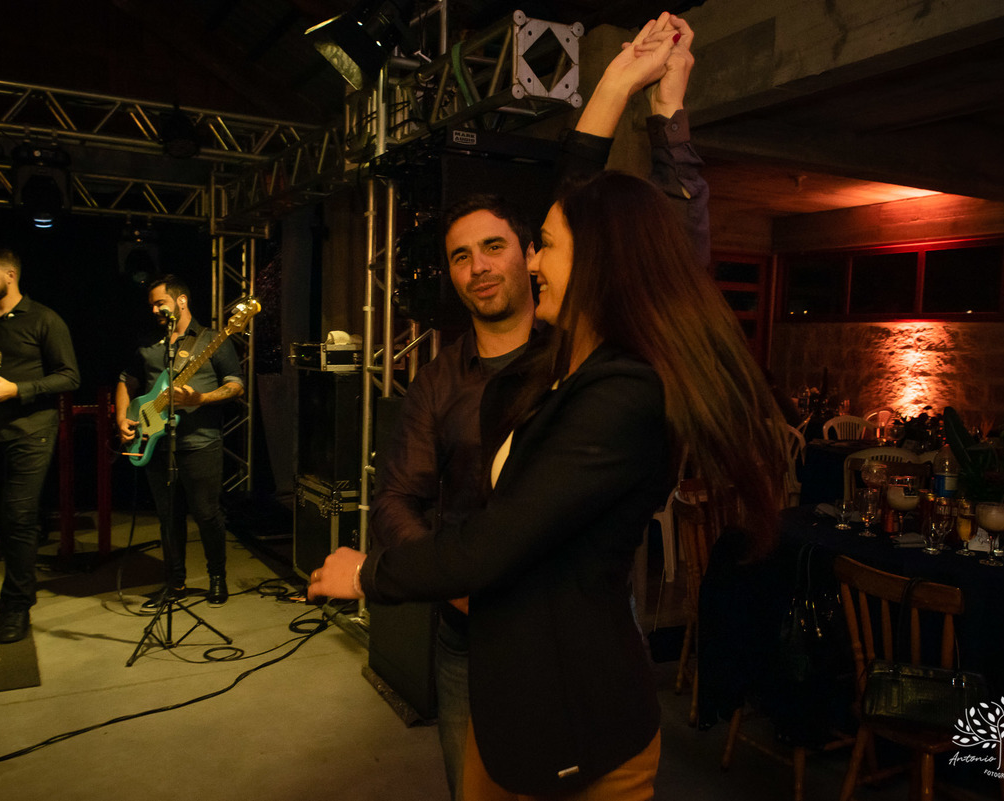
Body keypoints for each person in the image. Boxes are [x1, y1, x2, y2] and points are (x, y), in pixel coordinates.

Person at [315, 22, 785, 801]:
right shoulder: (548, 367)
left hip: (570, 682)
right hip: (489, 660)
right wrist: (615, 90)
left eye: (529, 247)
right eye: (462, 256)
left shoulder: (615, 382)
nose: (523, 262)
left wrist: (373, 573)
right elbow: (405, 493)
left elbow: (658, 246)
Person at [0, 248, 80, 644]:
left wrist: (17, 389)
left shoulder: (45, 319)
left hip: (32, 429)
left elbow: (70, 377)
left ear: (10, 275)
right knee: (5, 519)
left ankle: (16, 605)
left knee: (19, 516)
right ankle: (20, 591)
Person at [116, 275, 243, 610]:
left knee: (206, 513)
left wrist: (200, 398)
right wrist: (121, 418)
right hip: (155, 442)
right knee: (167, 517)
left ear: (182, 300)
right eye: (152, 305)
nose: (155, 309)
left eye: (161, 302)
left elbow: (235, 385)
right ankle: (174, 583)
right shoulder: (148, 342)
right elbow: (126, 380)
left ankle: (217, 577)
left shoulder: (212, 340)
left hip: (201, 441)